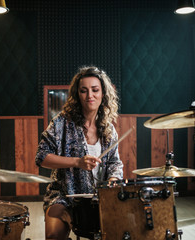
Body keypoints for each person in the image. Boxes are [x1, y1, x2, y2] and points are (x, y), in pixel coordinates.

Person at [35, 66, 123, 240]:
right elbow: (42, 157)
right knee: (53, 235)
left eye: (95, 90)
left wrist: (113, 181)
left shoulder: (109, 130)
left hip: (99, 198)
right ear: (77, 95)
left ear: (103, 94)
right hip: (64, 195)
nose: (90, 95)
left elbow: (115, 164)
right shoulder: (61, 123)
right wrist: (77, 162)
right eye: (84, 91)